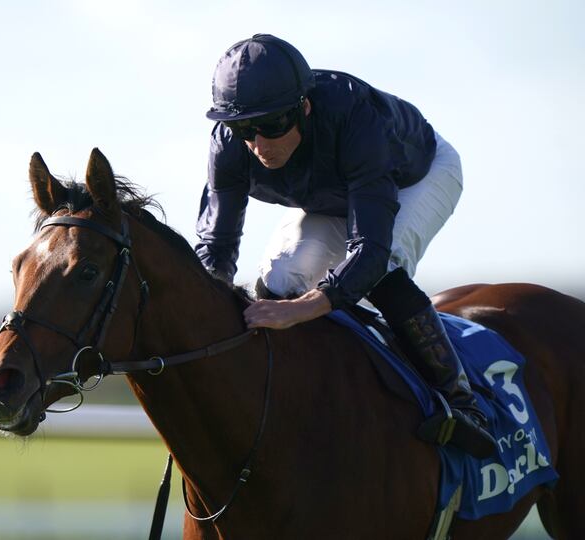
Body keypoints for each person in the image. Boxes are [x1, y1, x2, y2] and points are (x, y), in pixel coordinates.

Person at [195, 33, 496, 458]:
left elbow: (370, 249)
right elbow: (216, 251)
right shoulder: (228, 145)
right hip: (328, 194)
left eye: (272, 125)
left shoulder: (354, 114)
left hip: (414, 177)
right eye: (244, 128)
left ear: (304, 106)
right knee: (281, 276)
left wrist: (304, 308)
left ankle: (463, 403)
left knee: (383, 270)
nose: (259, 145)